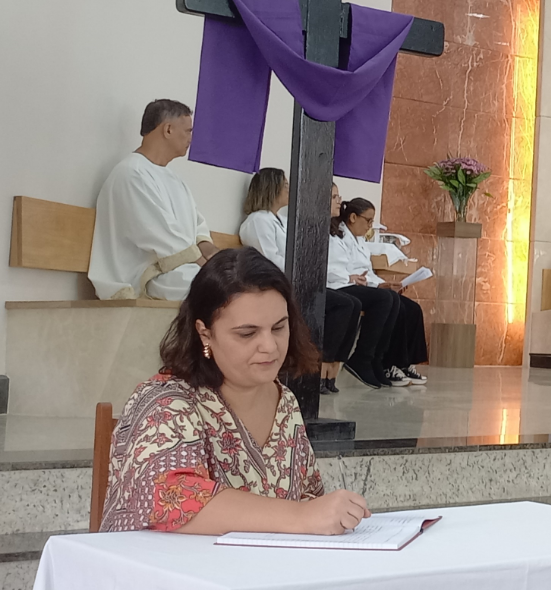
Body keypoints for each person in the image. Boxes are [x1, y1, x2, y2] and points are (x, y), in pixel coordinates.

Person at [100, 248, 371, 534]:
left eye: (279, 328)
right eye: (247, 333)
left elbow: (309, 497)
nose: (270, 346)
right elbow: (170, 499)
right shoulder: (165, 402)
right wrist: (301, 516)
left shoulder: (285, 402)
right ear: (205, 333)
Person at [240, 170, 358, 394]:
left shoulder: (281, 221)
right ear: (271, 189)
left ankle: (331, 367)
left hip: (294, 280)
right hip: (275, 284)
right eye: (285, 185)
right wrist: (301, 272)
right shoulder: (258, 220)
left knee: (350, 303)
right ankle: (317, 369)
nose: (289, 189)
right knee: (340, 304)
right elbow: (269, 260)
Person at [89, 100, 219, 300]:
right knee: (220, 291)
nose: (191, 138)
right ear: (168, 130)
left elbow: (196, 225)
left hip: (175, 271)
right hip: (145, 276)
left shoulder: (175, 180)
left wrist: (213, 253)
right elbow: (163, 239)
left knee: (239, 288)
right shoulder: (132, 174)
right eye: (188, 131)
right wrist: (211, 270)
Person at [328, 192, 428, 388]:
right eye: (368, 221)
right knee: (385, 300)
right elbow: (332, 268)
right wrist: (351, 278)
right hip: (340, 285)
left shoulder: (360, 241)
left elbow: (368, 272)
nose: (369, 226)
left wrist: (383, 284)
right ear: (353, 217)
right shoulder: (336, 235)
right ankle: (366, 358)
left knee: (409, 307)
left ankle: (395, 362)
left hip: (358, 284)